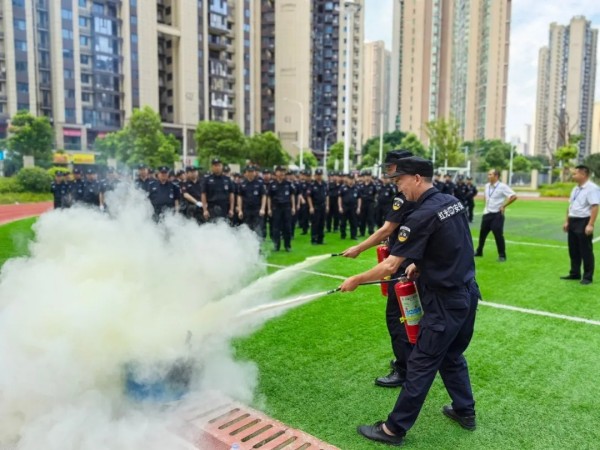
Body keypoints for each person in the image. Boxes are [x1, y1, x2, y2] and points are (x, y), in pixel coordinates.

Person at [340, 156, 480, 446]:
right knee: (452, 355)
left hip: (444, 302)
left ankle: (393, 429)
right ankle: (465, 411)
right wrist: (421, 265)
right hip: (467, 293)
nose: (398, 187)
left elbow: (390, 267)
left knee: (421, 363)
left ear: (417, 178)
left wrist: (355, 280)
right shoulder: (451, 201)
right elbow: (454, 244)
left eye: (400, 180)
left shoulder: (420, 216)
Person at [342, 150, 415, 388]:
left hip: (403, 265)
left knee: (397, 317)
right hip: (415, 263)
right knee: (413, 317)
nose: (388, 172)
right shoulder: (423, 195)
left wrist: (358, 248)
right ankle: (412, 362)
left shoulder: (402, 197)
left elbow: (386, 229)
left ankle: (404, 369)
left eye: (392, 167)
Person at [561, 165, 599, 285]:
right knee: (573, 249)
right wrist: (567, 221)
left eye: (575, 174)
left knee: (585, 250)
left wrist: (590, 224)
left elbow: (595, 206)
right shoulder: (575, 189)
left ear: (583, 175)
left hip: (584, 221)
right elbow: (570, 206)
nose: (573, 176)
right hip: (573, 220)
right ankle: (575, 273)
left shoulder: (592, 188)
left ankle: (587, 276)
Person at [474, 169, 517, 262]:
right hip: (487, 213)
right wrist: (486, 205)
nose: (488, 176)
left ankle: (502, 255)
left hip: (497, 215)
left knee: (498, 235)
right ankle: (479, 251)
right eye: (488, 174)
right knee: (482, 234)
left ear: (496, 176)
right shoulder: (487, 186)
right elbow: (486, 197)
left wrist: (504, 206)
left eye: (490, 174)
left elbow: (514, 196)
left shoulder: (502, 186)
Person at [267, 166, 296, 252]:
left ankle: (287, 246)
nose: (281, 173)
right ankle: (277, 246)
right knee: (276, 228)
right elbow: (269, 197)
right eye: (280, 171)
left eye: (283, 171)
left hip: (286, 207)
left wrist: (293, 207)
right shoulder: (272, 184)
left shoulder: (288, 183)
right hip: (276, 208)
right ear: (276, 173)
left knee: (287, 227)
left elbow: (292, 196)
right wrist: (269, 209)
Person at [237, 165, 267, 235]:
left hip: (257, 210)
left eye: (252, 171)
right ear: (246, 173)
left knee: (258, 229)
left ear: (255, 173)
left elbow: (264, 196)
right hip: (246, 210)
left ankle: (257, 245)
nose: (250, 173)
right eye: (249, 171)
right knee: (247, 229)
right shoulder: (242, 184)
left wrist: (262, 209)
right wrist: (240, 210)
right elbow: (239, 197)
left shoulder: (260, 183)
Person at [306, 168, 329, 245]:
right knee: (315, 223)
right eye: (317, 175)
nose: (319, 176)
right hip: (315, 206)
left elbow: (327, 196)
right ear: (315, 176)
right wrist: (311, 207)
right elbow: (309, 196)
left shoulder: (324, 184)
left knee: (322, 223)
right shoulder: (312, 185)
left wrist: (327, 205)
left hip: (323, 206)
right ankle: (314, 239)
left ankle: (320, 239)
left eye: (320, 175)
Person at [338, 174, 361, 240]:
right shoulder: (343, 187)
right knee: (343, 222)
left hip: (353, 207)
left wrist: (359, 207)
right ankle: (343, 235)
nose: (351, 180)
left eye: (352, 179)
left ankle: (353, 235)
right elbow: (340, 198)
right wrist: (340, 207)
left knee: (353, 222)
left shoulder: (356, 188)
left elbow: (359, 198)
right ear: (347, 179)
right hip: (345, 207)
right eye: (349, 179)